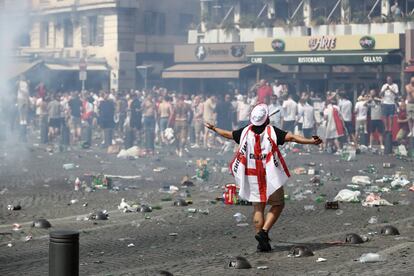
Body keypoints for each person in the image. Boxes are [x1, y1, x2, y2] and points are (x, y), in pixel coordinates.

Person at [204, 104, 322, 252]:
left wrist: (214, 128)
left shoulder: (245, 131)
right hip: (270, 175)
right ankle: (264, 232)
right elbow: (292, 137)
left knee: (258, 207)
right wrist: (311, 141)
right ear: (267, 119)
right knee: (278, 204)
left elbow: (228, 134)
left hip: (252, 176)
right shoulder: (272, 131)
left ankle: (262, 242)